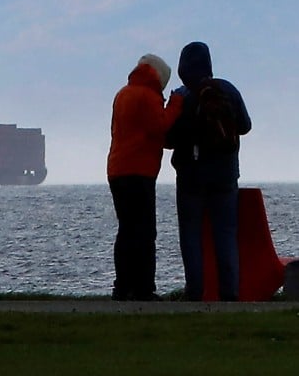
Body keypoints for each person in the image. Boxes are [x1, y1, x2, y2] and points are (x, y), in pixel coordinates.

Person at [165, 41, 251, 301]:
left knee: (191, 235)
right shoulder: (227, 90)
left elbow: (168, 139)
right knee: (225, 234)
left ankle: (195, 292)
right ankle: (230, 293)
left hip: (191, 176)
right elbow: (245, 126)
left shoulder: (183, 96)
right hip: (225, 176)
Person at [107, 54, 184, 301]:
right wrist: (175, 105)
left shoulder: (123, 94)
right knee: (144, 232)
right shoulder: (148, 96)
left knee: (126, 230)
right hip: (139, 171)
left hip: (117, 169)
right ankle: (143, 289)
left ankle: (122, 286)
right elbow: (159, 126)